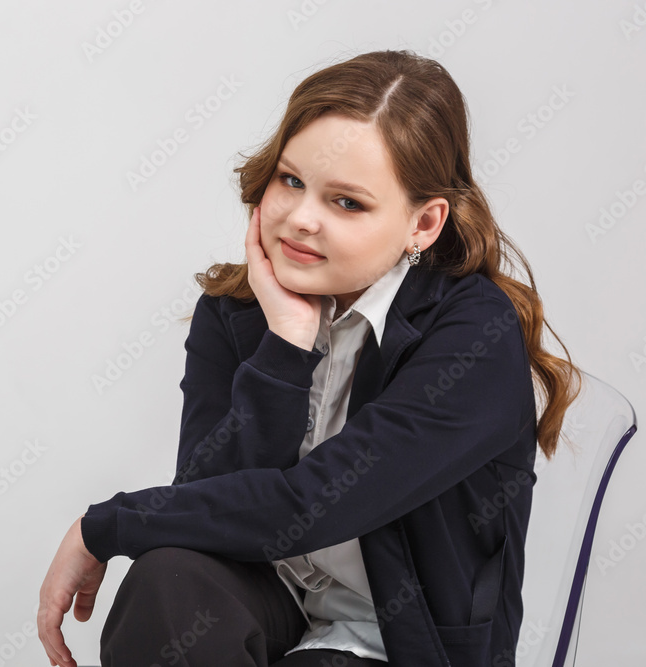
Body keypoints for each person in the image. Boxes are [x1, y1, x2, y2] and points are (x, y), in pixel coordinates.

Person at [37, 49, 582, 667]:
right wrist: (286, 346)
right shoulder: (238, 310)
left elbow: (312, 505)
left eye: (347, 203)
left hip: (399, 640)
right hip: (273, 602)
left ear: (424, 224)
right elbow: (203, 504)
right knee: (169, 581)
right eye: (291, 181)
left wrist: (102, 526)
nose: (300, 220)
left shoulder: (473, 333)